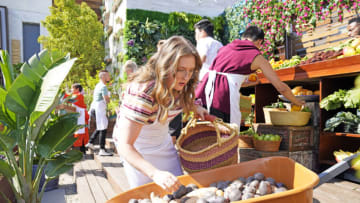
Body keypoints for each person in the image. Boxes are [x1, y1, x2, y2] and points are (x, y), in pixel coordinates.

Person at [113, 36, 209, 192]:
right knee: (148, 195)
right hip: (137, 148)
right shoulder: (143, 93)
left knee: (178, 190)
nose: (186, 76)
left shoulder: (181, 83)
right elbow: (125, 145)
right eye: (181, 70)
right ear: (167, 66)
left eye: (191, 71)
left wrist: (196, 108)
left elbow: (183, 101)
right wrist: (155, 174)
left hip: (163, 142)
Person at [195, 26, 305, 127]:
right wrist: (297, 102)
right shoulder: (257, 57)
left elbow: (227, 76)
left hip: (205, 91)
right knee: (226, 136)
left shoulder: (226, 48)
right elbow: (280, 87)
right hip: (223, 97)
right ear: (259, 41)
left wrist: (247, 83)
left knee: (208, 134)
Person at [86, 70, 113, 156]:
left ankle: (91, 142)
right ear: (103, 77)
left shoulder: (98, 85)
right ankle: (102, 150)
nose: (109, 77)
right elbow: (106, 100)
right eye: (108, 75)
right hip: (99, 109)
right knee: (103, 128)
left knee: (100, 126)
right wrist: (111, 96)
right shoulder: (103, 87)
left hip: (94, 108)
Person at [57, 83, 89, 154]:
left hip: (81, 117)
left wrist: (60, 92)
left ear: (77, 89)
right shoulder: (76, 95)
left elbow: (68, 98)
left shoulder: (79, 96)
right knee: (80, 133)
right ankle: (81, 150)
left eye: (72, 88)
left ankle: (81, 151)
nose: (71, 90)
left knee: (81, 134)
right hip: (78, 116)